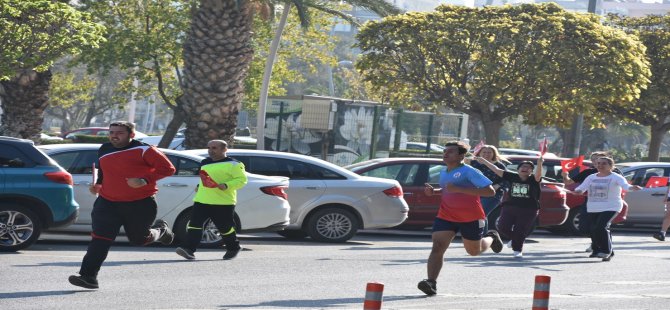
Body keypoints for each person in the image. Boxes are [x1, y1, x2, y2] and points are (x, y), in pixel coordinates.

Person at [68, 121, 176, 289]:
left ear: (131, 135)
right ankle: (88, 277)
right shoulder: (104, 149)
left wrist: (144, 180)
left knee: (139, 240)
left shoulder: (145, 150)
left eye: (120, 132)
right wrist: (98, 184)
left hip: (140, 203)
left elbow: (168, 169)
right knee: (100, 240)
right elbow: (104, 172)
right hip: (107, 203)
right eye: (111, 132)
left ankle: (161, 230)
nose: (114, 135)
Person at [417, 141, 503, 296]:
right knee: (437, 246)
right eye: (445, 151)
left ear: (461, 156)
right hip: (446, 215)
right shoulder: (445, 171)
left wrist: (459, 189)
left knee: (473, 251)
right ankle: (431, 282)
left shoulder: (470, 171)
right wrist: (435, 191)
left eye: (450, 151)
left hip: (471, 217)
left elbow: (490, 192)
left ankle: (491, 237)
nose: (445, 154)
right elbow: (447, 190)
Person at [176, 140, 248, 260]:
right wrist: (200, 186)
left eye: (214, 148)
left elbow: (242, 180)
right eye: (209, 148)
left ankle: (233, 247)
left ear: (224, 149)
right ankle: (188, 249)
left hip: (223, 202)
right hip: (202, 200)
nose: (210, 151)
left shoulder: (234, 164)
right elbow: (206, 179)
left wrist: (226, 185)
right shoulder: (205, 162)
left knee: (225, 227)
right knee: (194, 225)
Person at [570, 157, 642, 261]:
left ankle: (605, 250)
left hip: (612, 206)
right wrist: (578, 191)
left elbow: (626, 186)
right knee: (594, 229)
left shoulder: (616, 177)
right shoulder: (591, 177)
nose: (600, 165)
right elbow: (581, 188)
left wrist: (632, 188)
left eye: (604, 163)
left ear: (611, 166)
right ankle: (609, 252)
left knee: (601, 226)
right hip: (593, 207)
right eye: (598, 163)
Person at [474, 156, 543, 258]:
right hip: (510, 206)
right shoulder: (512, 176)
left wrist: (540, 163)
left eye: (528, 167)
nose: (525, 168)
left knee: (521, 229)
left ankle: (517, 250)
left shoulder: (534, 179)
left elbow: (538, 176)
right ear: (518, 169)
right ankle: (515, 240)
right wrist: (484, 160)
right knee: (502, 226)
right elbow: (497, 170)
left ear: (531, 171)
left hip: (529, 209)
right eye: (523, 166)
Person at [562, 151, 623, 252]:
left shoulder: (615, 173)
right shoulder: (589, 173)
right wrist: (565, 175)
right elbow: (569, 182)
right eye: (594, 160)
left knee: (602, 226)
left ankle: (603, 248)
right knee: (585, 228)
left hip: (609, 204)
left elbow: (623, 185)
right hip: (591, 204)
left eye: (599, 159)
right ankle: (596, 243)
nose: (597, 162)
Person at [468, 145, 509, 232]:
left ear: (494, 154)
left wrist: (497, 186)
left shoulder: (499, 165)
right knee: (481, 215)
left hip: (493, 194)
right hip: (476, 193)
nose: (487, 154)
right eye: (484, 152)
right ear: (479, 153)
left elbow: (507, 180)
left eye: (489, 152)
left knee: (481, 214)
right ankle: (483, 236)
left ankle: (481, 236)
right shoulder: (474, 163)